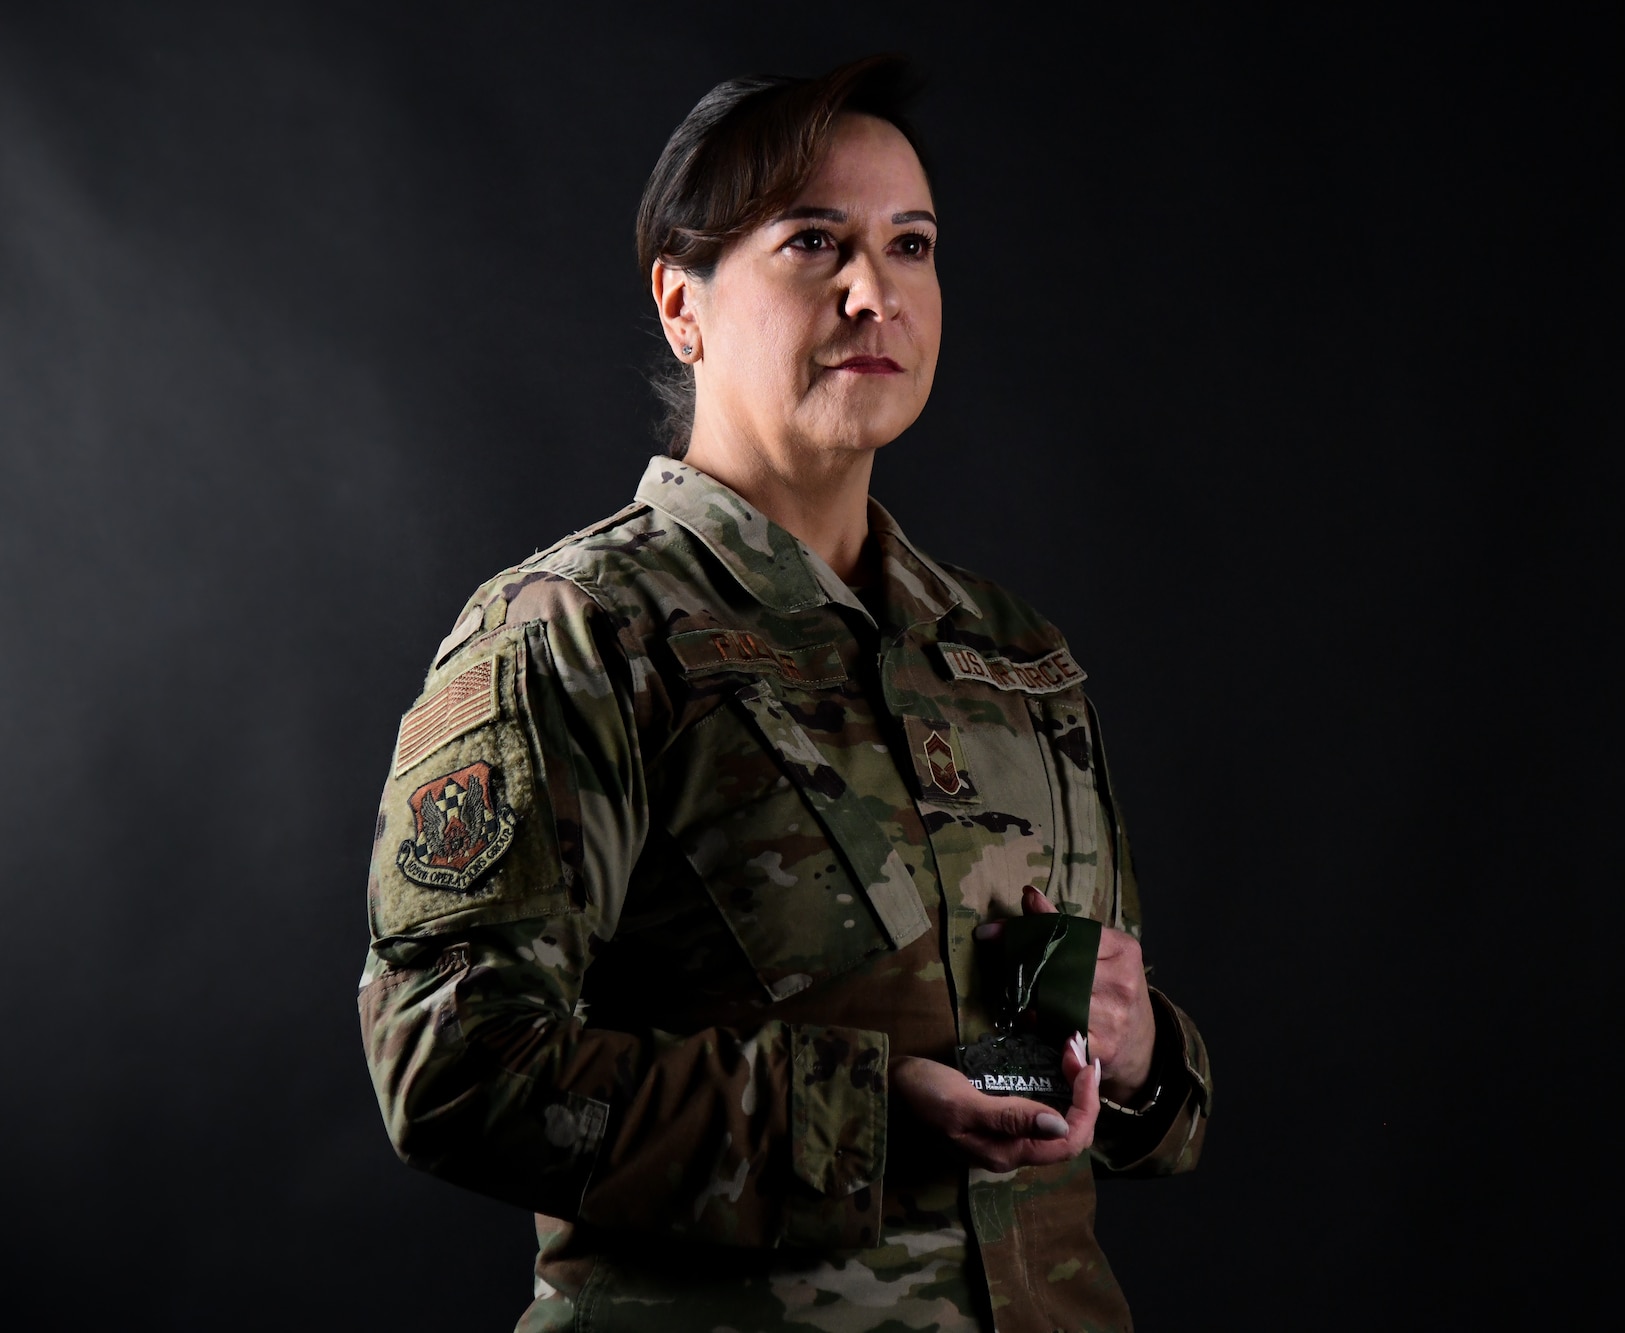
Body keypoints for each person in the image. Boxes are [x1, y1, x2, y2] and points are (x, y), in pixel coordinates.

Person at [358, 55, 1210, 1333]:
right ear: (679, 305)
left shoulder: (1008, 649)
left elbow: (1129, 1097)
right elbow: (448, 1067)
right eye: (813, 242)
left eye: (909, 245)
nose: (875, 291)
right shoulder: (576, 634)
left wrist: (1140, 1060)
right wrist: (864, 1115)